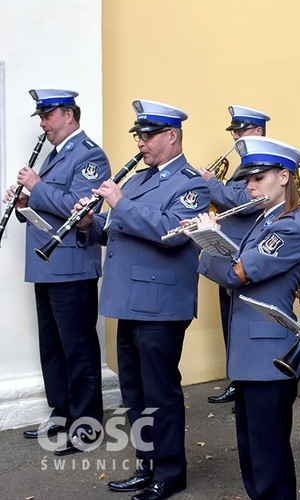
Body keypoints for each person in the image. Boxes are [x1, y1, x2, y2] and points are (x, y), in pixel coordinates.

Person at [76, 99, 210, 500]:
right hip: (128, 301)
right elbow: (117, 230)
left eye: (148, 135)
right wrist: (89, 222)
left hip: (161, 305)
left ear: (171, 136)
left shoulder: (192, 183)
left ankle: (170, 472)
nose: (141, 143)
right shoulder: (137, 180)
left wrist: (119, 203)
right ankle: (146, 464)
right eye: (138, 135)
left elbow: (171, 232)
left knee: (160, 391)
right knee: (133, 390)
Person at [192, 136, 300, 499]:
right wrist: (213, 245)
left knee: (268, 459)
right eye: (248, 180)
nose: (250, 186)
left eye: (259, 178)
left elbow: (234, 274)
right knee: (250, 454)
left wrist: (207, 239)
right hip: (249, 354)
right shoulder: (262, 222)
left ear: (285, 176)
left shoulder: (289, 228)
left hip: (269, 356)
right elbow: (230, 266)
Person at [6, 89, 110, 456]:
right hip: (46, 263)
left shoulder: (90, 155)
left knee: (78, 348)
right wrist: (24, 201)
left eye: (48, 116)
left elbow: (80, 209)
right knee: (52, 346)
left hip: (71, 265)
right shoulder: (56, 154)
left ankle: (87, 426)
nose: (43, 124)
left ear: (68, 114)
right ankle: (62, 412)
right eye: (41, 117)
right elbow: (48, 203)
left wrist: (37, 186)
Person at [198, 105, 271, 406]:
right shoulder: (242, 165)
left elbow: (246, 200)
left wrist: (210, 184)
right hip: (227, 251)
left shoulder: (266, 162)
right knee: (230, 320)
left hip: (247, 255)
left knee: (246, 323)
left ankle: (247, 384)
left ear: (257, 131)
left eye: (241, 130)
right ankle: (236, 380)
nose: (236, 136)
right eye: (234, 131)